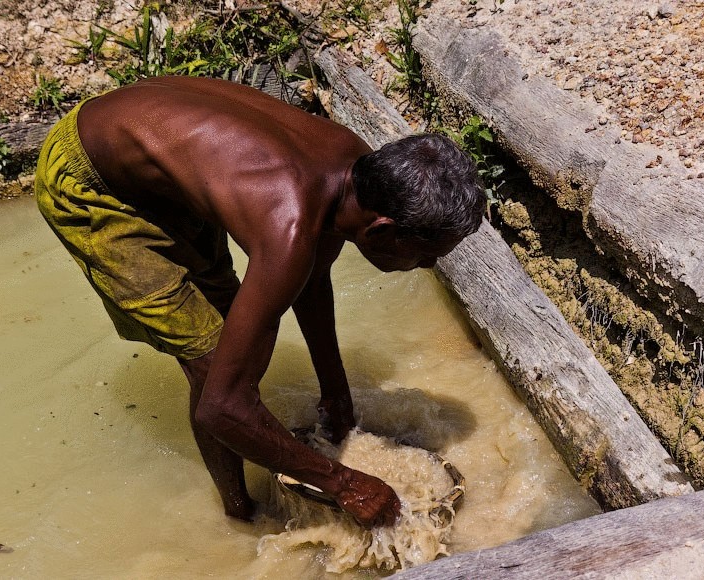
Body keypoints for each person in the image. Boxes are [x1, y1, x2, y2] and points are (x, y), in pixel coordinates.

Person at [34, 75, 485, 528]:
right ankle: (239, 515)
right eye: (426, 254)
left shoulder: (354, 173)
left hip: (145, 142)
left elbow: (311, 282)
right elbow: (221, 407)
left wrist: (336, 391)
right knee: (213, 362)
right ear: (382, 230)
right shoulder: (289, 225)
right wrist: (345, 484)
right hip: (89, 181)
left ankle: (243, 500)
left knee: (233, 331)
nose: (426, 266)